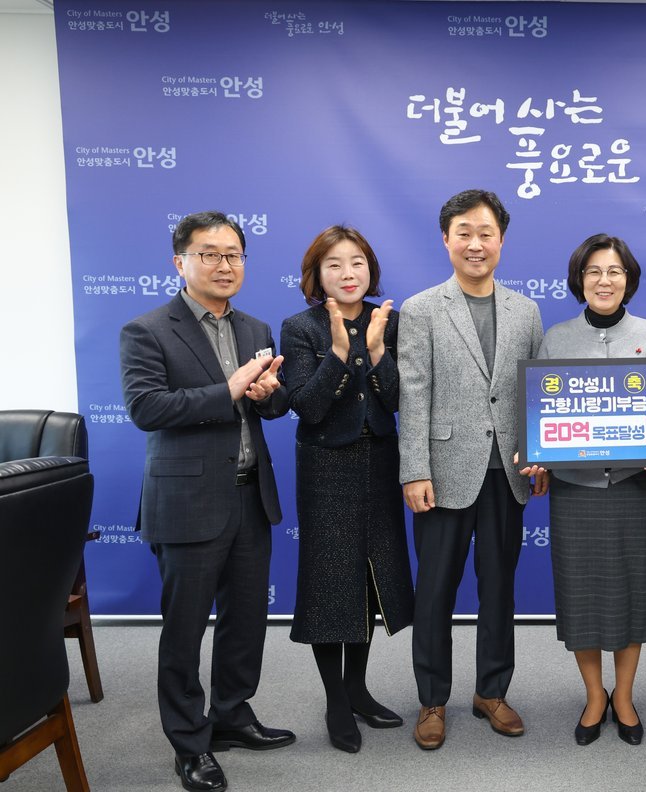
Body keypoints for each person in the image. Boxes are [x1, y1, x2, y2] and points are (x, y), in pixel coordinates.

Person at [120, 211, 293, 792]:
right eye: (210, 254)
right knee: (185, 630)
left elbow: (272, 406)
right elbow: (147, 408)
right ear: (180, 262)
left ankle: (232, 716)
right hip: (188, 501)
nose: (225, 265)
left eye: (234, 255)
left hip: (250, 496)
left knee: (245, 621)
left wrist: (267, 393)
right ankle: (189, 744)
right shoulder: (147, 329)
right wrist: (230, 388)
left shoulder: (255, 327)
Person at [397, 189, 546, 750]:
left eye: (486, 233)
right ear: (446, 239)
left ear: (501, 240)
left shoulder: (525, 310)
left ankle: (492, 692)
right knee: (435, 590)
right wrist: (415, 470)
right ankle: (432, 699)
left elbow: (535, 392)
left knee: (499, 588)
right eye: (464, 233)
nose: (475, 244)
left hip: (507, 471)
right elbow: (413, 394)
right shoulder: (421, 309)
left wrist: (539, 453)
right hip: (442, 470)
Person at [279, 226, 414, 754]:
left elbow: (399, 400)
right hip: (325, 466)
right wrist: (338, 351)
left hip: (379, 461)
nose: (348, 273)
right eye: (334, 264)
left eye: (356, 262)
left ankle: (357, 688)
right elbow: (308, 407)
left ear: (370, 269)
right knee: (330, 581)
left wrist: (376, 350)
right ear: (317, 274)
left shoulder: (389, 321)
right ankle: (335, 699)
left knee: (369, 579)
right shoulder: (300, 327)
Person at [535, 234, 646, 747]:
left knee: (633, 593)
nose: (604, 280)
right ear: (580, 279)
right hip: (575, 489)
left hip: (634, 486)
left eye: (614, 271)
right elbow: (539, 413)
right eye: (594, 271)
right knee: (581, 594)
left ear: (628, 279)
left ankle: (625, 696)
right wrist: (538, 452)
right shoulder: (556, 339)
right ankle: (595, 695)